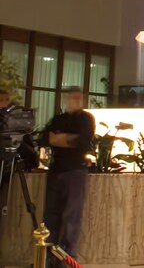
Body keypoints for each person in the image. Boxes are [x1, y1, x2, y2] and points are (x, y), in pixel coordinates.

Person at [39, 87, 95, 257]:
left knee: (72, 215)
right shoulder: (59, 119)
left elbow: (83, 141)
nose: (74, 101)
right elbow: (45, 139)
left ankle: (67, 256)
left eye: (78, 97)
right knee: (51, 214)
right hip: (56, 170)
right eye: (71, 97)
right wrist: (69, 139)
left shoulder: (86, 119)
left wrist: (59, 138)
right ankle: (49, 256)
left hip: (75, 170)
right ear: (66, 99)